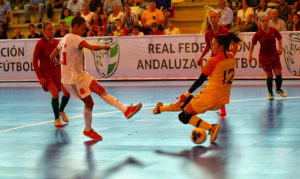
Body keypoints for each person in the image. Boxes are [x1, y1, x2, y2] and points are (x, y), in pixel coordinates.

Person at [50, 16, 142, 140]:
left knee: (99, 89)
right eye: (83, 28)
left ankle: (126, 110)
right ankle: (88, 130)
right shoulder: (76, 38)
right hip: (72, 80)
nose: (84, 31)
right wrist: (104, 47)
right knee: (90, 103)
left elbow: (52, 56)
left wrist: (58, 63)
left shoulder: (64, 38)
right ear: (76, 26)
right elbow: (91, 48)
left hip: (79, 74)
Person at [153, 33, 242, 143]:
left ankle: (211, 128)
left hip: (210, 97)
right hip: (222, 100)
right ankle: (159, 109)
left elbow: (200, 80)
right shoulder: (231, 57)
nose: (211, 47)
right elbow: (232, 51)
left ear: (221, 47)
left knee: (184, 116)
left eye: (214, 45)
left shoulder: (213, 60)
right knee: (187, 102)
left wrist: (185, 94)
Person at [33, 22, 71, 127]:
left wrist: (62, 66)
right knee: (55, 94)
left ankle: (61, 110)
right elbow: (35, 62)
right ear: (43, 31)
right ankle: (56, 119)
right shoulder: (40, 43)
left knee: (67, 93)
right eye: (49, 29)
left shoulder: (56, 43)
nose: (51, 31)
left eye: (52, 29)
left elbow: (59, 58)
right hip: (46, 73)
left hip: (57, 72)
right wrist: (40, 77)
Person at [248, 15, 287, 100]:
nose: (265, 22)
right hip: (264, 57)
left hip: (275, 56)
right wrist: (250, 55)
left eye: (266, 20)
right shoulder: (258, 34)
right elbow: (252, 44)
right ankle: (270, 93)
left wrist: (280, 48)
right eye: (263, 21)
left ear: (268, 21)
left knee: (279, 74)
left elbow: (279, 38)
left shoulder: (274, 30)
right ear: (260, 23)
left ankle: (278, 89)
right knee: (269, 75)